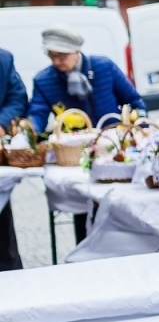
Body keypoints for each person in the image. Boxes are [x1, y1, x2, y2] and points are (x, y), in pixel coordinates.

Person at [28, 27, 146, 243]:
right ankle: (87, 249)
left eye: (62, 56)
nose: (56, 62)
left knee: (119, 204)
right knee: (83, 205)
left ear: (76, 51)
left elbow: (133, 101)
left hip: (114, 152)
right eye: (51, 56)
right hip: (74, 155)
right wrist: (31, 131)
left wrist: (139, 124)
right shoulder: (44, 80)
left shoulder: (104, 67)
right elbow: (37, 112)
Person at [0, 46, 28, 271]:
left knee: (2, 227)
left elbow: (17, 98)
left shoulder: (3, 59)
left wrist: (2, 122)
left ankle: (10, 275)